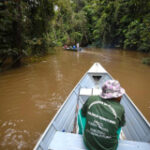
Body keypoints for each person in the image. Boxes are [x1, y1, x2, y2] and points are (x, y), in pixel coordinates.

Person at [80, 80, 126, 150]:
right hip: (110, 148)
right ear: (116, 96)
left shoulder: (92, 98)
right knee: (119, 124)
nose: (121, 95)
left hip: (88, 144)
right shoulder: (120, 109)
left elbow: (83, 113)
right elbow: (121, 124)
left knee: (80, 113)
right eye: (120, 94)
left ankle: (81, 132)